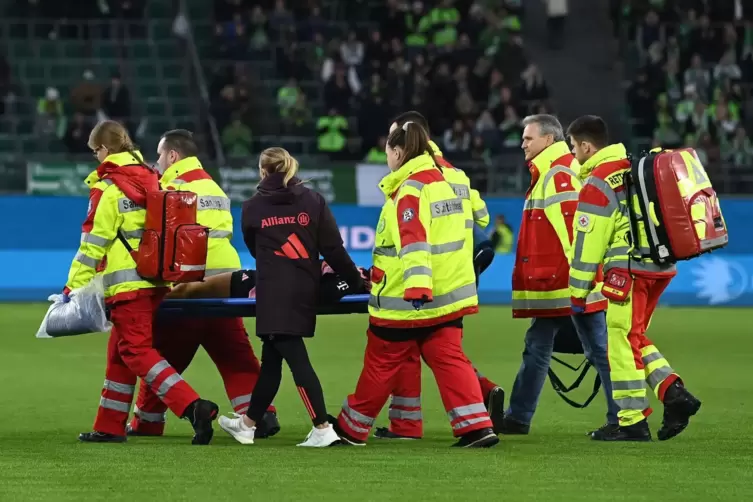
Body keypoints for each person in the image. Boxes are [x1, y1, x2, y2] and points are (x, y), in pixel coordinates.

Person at [334, 121, 499, 448]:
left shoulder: (411, 188)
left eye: (388, 153)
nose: (387, 159)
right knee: (448, 356)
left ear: (398, 152)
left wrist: (417, 288)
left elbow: (414, 243)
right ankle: (477, 426)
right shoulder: (453, 180)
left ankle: (352, 429)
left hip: (408, 299)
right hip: (451, 294)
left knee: (382, 361)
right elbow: (479, 217)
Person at [69, 120, 218, 444]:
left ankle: (194, 407)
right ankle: (110, 426)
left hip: (126, 286)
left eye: (96, 152)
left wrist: (72, 287)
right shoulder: (154, 179)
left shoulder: (109, 189)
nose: (96, 158)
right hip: (155, 281)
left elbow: (93, 244)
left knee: (137, 352)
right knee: (119, 354)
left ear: (105, 150)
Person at [126, 130, 279, 440]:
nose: (157, 162)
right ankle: (260, 415)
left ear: (173, 156)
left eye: (159, 155)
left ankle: (148, 420)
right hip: (226, 283)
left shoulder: (171, 187)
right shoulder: (214, 186)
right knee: (235, 355)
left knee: (166, 355)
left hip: (192, 285)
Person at [218, 147, 365, 447]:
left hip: (273, 290)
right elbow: (334, 250)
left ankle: (322, 427)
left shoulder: (252, 208)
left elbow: (253, 243)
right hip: (304, 287)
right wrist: (356, 282)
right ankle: (247, 425)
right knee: (272, 361)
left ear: (262, 171)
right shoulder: (313, 201)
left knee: (297, 361)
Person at [566, 115, 701, 441]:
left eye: (573, 147)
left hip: (627, 271)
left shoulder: (599, 180)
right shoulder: (634, 167)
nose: (572, 155)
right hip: (661, 265)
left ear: (586, 146)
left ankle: (630, 422)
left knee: (620, 341)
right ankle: (673, 393)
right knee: (634, 336)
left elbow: (589, 241)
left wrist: (578, 289)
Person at [500, 114, 619, 437]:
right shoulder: (550, 173)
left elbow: (574, 233)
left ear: (549, 140)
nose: (522, 143)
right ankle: (518, 416)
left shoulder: (557, 175)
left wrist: (585, 282)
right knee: (541, 345)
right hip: (557, 282)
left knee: (597, 349)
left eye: (528, 138)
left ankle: (623, 416)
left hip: (568, 283)